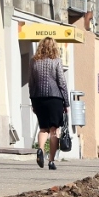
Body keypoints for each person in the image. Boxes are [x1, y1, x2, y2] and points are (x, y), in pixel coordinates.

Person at [29, 37, 70, 170]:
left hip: (39, 98)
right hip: (55, 99)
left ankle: (40, 149)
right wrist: (66, 103)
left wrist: (33, 101)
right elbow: (62, 83)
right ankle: (51, 161)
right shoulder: (56, 61)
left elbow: (31, 83)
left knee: (43, 128)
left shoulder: (34, 61)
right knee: (54, 130)